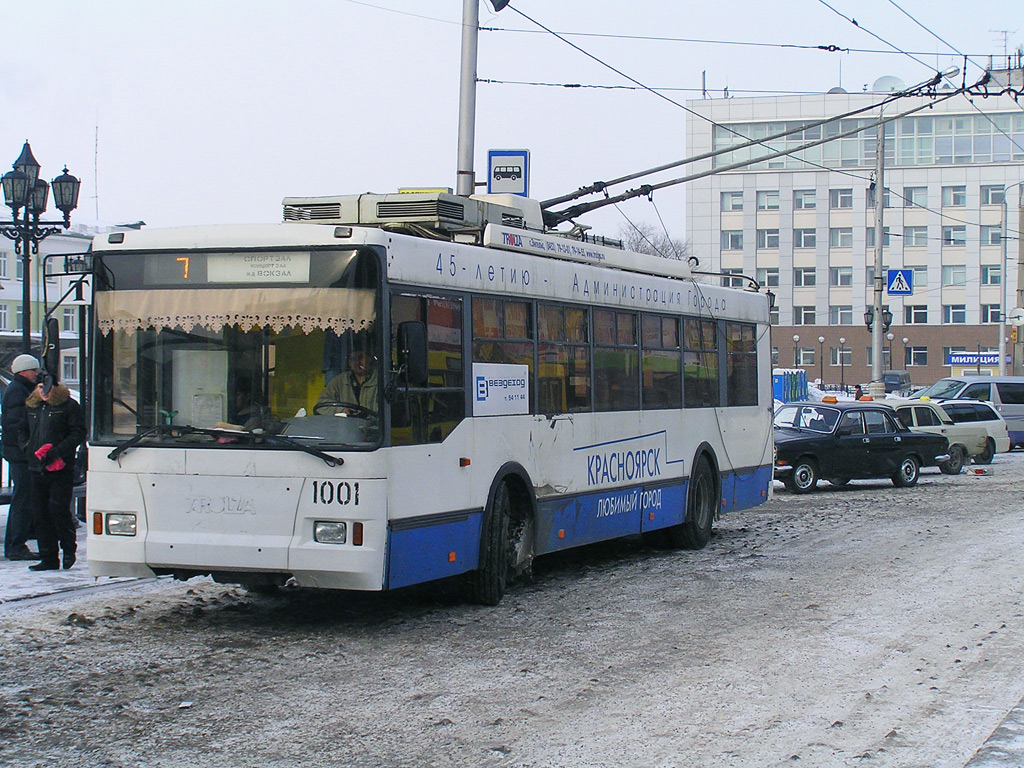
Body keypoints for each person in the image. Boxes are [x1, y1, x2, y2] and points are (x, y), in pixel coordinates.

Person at [19, 379, 86, 571]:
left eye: (47, 388)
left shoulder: (68, 406)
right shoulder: (32, 406)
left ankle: (68, 549)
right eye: (40, 387)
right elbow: (22, 430)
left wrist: (57, 452)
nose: (44, 392)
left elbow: (78, 433)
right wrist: (27, 448)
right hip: (36, 466)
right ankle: (48, 557)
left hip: (60, 467)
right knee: (40, 513)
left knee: (58, 509)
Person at [2, 354, 40, 561]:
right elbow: (17, 425)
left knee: (25, 498)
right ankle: (15, 546)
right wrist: (29, 446)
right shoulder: (19, 391)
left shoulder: (18, 389)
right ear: (23, 371)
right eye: (33, 370)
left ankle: (19, 541)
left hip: (19, 453)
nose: (36, 373)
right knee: (23, 500)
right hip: (21, 455)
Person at [317, 350, 378, 416]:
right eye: (353, 359)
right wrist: (341, 410)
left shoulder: (381, 381)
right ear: (349, 363)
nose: (357, 362)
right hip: (346, 425)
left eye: (361, 357)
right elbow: (321, 404)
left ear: (369, 359)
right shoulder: (339, 381)